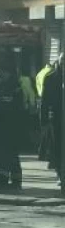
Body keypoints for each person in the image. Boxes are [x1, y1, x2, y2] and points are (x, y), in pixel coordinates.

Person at [0, 65, 25, 191]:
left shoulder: (13, 87)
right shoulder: (6, 85)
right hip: (7, 127)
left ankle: (7, 181)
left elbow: (11, 106)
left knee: (7, 154)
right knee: (8, 155)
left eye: (1, 72)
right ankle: (11, 181)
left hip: (9, 127)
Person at [41, 53, 64, 184]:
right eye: (62, 60)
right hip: (57, 118)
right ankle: (61, 174)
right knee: (58, 147)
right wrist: (43, 120)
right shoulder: (51, 78)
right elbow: (45, 101)